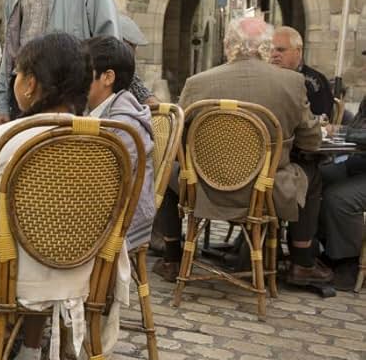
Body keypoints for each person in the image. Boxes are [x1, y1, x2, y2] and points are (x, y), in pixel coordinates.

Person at [0, 33, 130, 360]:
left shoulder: (7, 139)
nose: (14, 81)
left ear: (31, 84)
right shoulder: (106, 142)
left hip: (16, 275)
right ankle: (29, 355)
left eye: (18, 73)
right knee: (42, 243)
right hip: (81, 273)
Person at [152, 18, 332, 287]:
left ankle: (172, 257)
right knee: (312, 175)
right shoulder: (292, 82)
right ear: (266, 48)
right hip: (265, 191)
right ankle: (302, 262)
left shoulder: (197, 83)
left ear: (228, 47)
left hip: (204, 188)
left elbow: (177, 139)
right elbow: (311, 142)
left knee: (166, 171)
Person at [84, 36, 155, 250]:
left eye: (82, 72)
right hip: (102, 207)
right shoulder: (99, 110)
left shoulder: (124, 125)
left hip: (122, 221)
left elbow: (103, 182)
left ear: (107, 77)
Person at [318, 96, 366, 290]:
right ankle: (312, 252)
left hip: (360, 169)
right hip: (358, 165)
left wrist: (342, 131)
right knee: (314, 178)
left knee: (339, 198)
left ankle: (348, 263)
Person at [271, 25, 334, 118]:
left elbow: (321, 119)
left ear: (298, 51)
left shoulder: (313, 82)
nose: (274, 54)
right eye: (271, 50)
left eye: (281, 50)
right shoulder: (266, 78)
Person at [118, 13, 160, 106]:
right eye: (131, 46)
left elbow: (145, 96)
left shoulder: (128, 71)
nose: (134, 52)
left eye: (134, 47)